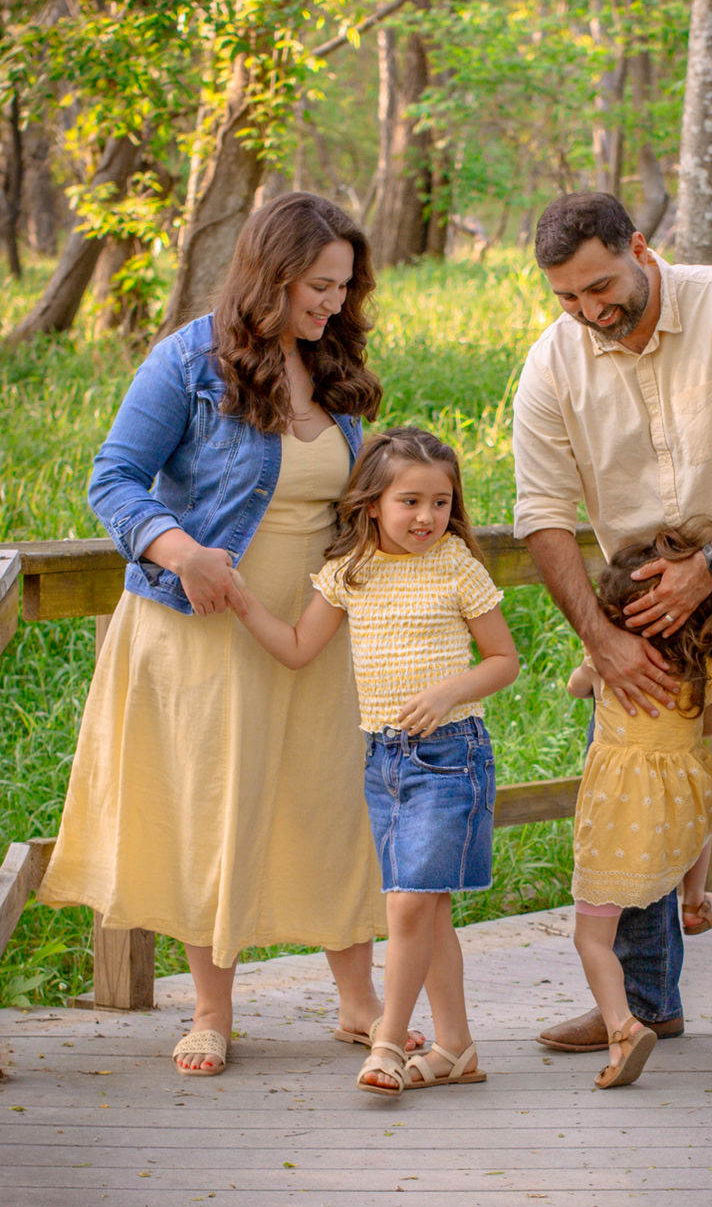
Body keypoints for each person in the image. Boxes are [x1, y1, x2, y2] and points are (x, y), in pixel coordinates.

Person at [38, 192, 424, 1077]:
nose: (332, 303)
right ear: (272, 271)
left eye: (343, 287)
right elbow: (114, 478)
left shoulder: (330, 366)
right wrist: (181, 553)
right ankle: (211, 1010)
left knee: (331, 802)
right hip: (207, 624)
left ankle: (359, 1001)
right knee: (220, 802)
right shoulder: (186, 359)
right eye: (318, 285)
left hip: (318, 624)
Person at [513, 191, 712, 1086]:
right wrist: (600, 639)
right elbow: (539, 513)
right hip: (642, 612)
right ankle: (647, 998)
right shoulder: (552, 363)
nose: (588, 312)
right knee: (633, 792)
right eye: (567, 298)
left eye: (600, 287)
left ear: (641, 247)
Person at [229, 426, 519, 1098]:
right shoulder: (348, 571)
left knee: (410, 906)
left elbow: (503, 660)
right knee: (427, 909)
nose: (426, 517)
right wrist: (243, 602)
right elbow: (300, 646)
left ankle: (387, 1040)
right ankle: (455, 1046)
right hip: (384, 761)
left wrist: (450, 689)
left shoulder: (455, 564)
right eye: (410, 501)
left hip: (451, 757)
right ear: (371, 505)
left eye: (441, 502)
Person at [565, 520, 712, 1089]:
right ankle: (696, 900)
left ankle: (623, 1027)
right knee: (698, 805)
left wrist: (594, 655)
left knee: (592, 937)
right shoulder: (703, 671)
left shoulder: (606, 668)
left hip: (620, 816)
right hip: (679, 813)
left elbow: (574, 687)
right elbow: (705, 737)